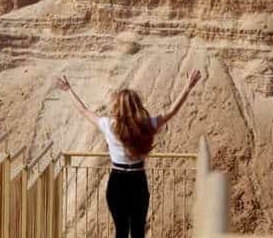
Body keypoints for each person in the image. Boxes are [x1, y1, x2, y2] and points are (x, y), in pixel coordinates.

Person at [54, 69, 202, 238]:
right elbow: (172, 111)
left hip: (117, 182)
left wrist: (69, 90)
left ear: (117, 107)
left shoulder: (109, 125)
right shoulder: (147, 125)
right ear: (137, 105)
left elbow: (84, 111)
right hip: (138, 181)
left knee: (121, 231)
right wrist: (187, 87)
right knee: (138, 231)